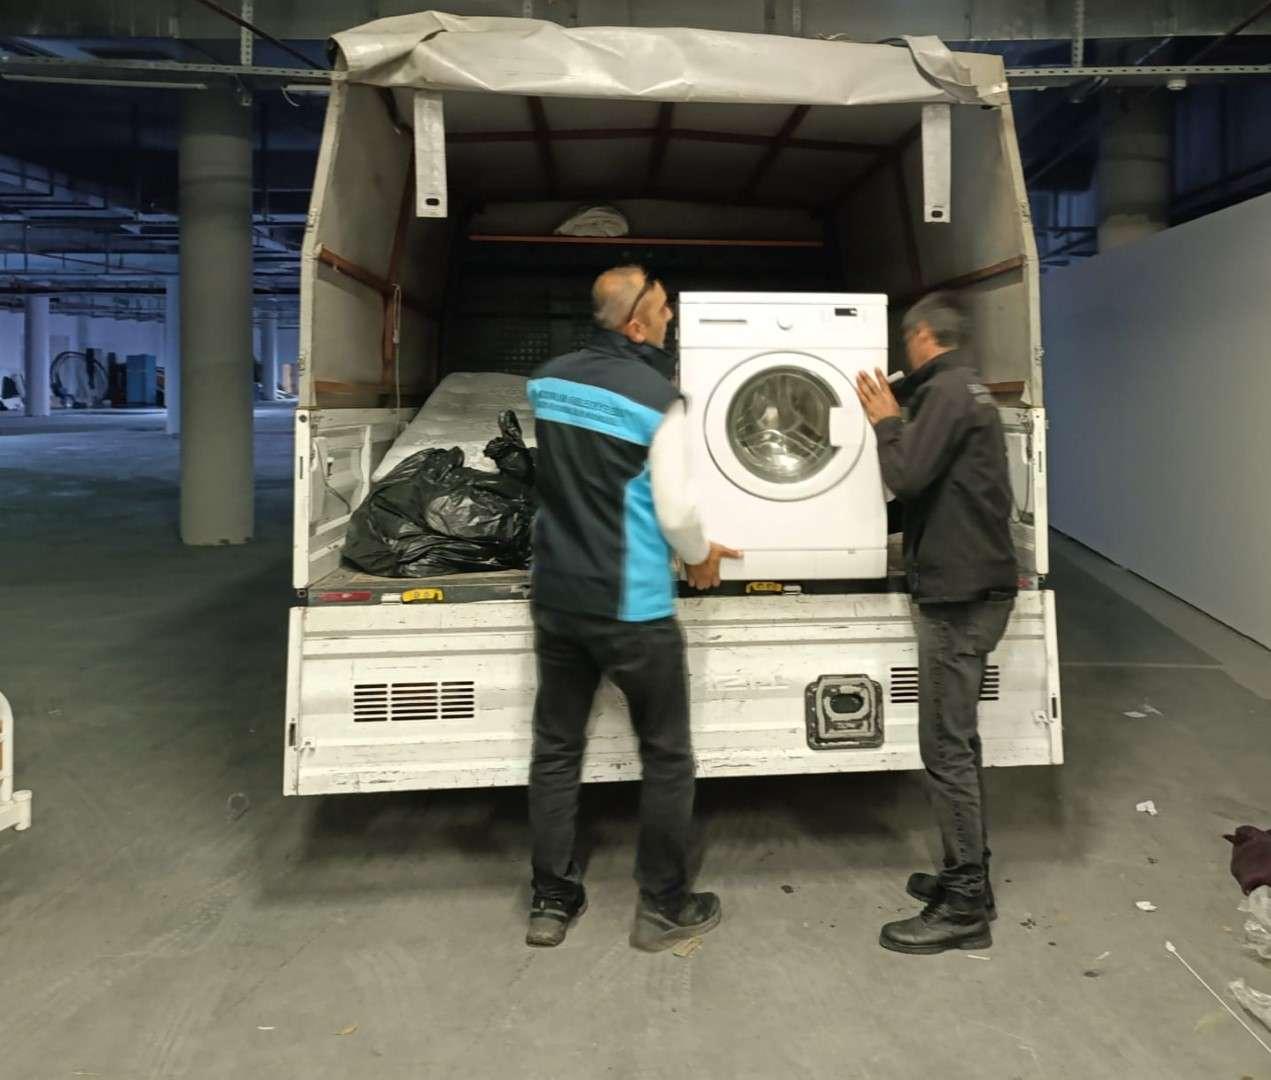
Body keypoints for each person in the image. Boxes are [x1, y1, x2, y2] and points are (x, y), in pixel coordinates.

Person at [524, 265, 740, 951]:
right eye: (664, 307)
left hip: (557, 595)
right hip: (630, 605)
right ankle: (663, 906)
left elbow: (574, 478)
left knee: (557, 748)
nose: (672, 315)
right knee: (667, 755)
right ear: (637, 325)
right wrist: (699, 555)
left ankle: (550, 900)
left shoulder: (548, 382)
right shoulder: (657, 398)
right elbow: (674, 511)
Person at [854, 292, 1018, 955]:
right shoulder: (966, 389)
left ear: (922, 336)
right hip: (975, 587)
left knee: (945, 750)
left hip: (959, 597)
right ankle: (965, 876)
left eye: (906, 340)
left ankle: (964, 908)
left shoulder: (947, 393)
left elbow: (906, 476)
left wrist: (885, 421)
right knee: (959, 744)